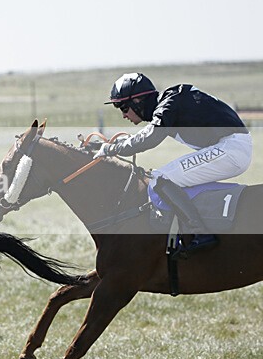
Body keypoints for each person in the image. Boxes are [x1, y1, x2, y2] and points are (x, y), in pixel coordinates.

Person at [97, 72, 252, 254]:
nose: (124, 115)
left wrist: (112, 149)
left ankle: (199, 233)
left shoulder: (171, 99)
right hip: (231, 147)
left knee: (160, 178)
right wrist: (112, 145)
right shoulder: (169, 103)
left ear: (137, 101)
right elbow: (147, 133)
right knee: (166, 178)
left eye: (123, 107)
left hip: (231, 149)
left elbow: (150, 138)